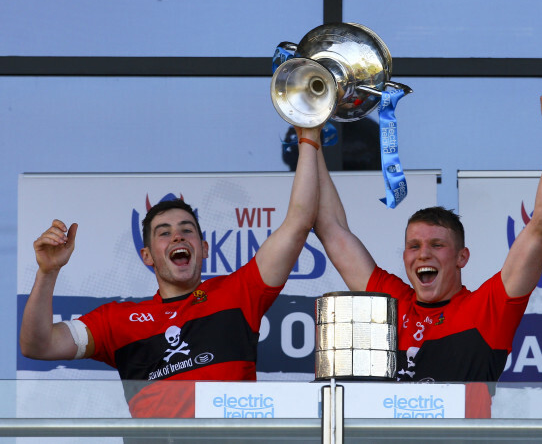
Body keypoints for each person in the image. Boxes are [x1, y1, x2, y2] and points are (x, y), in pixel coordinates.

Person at [19, 126, 323, 419]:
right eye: (164, 233)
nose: (177, 237)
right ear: (147, 256)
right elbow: (37, 346)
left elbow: (298, 222)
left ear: (204, 248)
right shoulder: (117, 320)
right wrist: (48, 272)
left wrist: (308, 135)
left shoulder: (238, 292)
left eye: (186, 230)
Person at [313, 91, 542, 417]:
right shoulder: (391, 302)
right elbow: (331, 229)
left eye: (437, 245)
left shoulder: (487, 310)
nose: (423, 255)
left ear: (462, 257)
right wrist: (311, 139)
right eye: (414, 246)